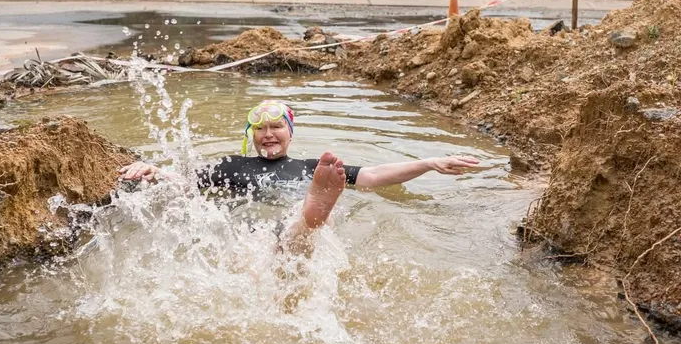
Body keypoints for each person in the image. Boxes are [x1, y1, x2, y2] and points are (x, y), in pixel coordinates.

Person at [119, 100, 478, 249]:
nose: (269, 134)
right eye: (260, 129)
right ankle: (311, 217)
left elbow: (372, 176)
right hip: (250, 228)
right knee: (256, 248)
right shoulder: (230, 166)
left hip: (294, 210)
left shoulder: (312, 168)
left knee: (299, 238)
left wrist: (428, 161)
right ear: (251, 135)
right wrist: (154, 171)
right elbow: (186, 184)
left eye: (277, 126)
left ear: (291, 132)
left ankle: (312, 215)